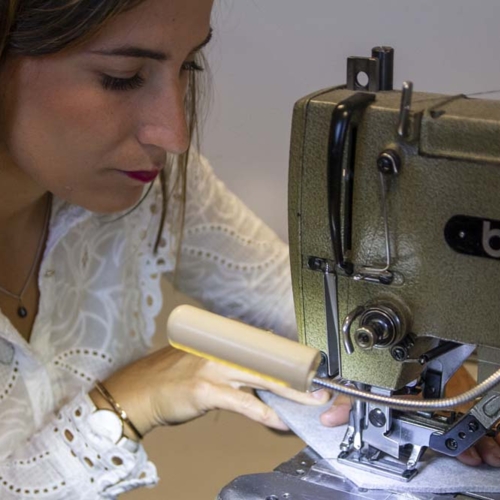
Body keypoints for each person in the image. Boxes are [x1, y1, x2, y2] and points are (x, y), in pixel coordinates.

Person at [0, 1, 497, 499]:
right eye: (122, 77)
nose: (175, 135)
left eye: (188, 66)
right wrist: (131, 398)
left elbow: (297, 299)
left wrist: (420, 374)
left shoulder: (157, 185)